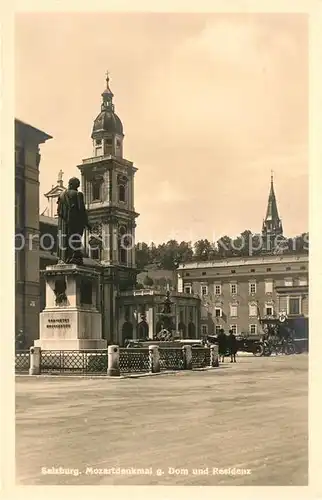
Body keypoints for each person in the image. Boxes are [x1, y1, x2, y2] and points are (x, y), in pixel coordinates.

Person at [56, 177, 91, 265]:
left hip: (64, 224)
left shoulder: (61, 195)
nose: (78, 186)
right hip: (75, 223)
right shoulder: (78, 194)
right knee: (76, 240)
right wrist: (87, 223)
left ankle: (64, 258)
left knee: (65, 240)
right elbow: (81, 210)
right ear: (74, 184)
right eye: (77, 184)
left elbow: (58, 211)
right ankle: (74, 258)